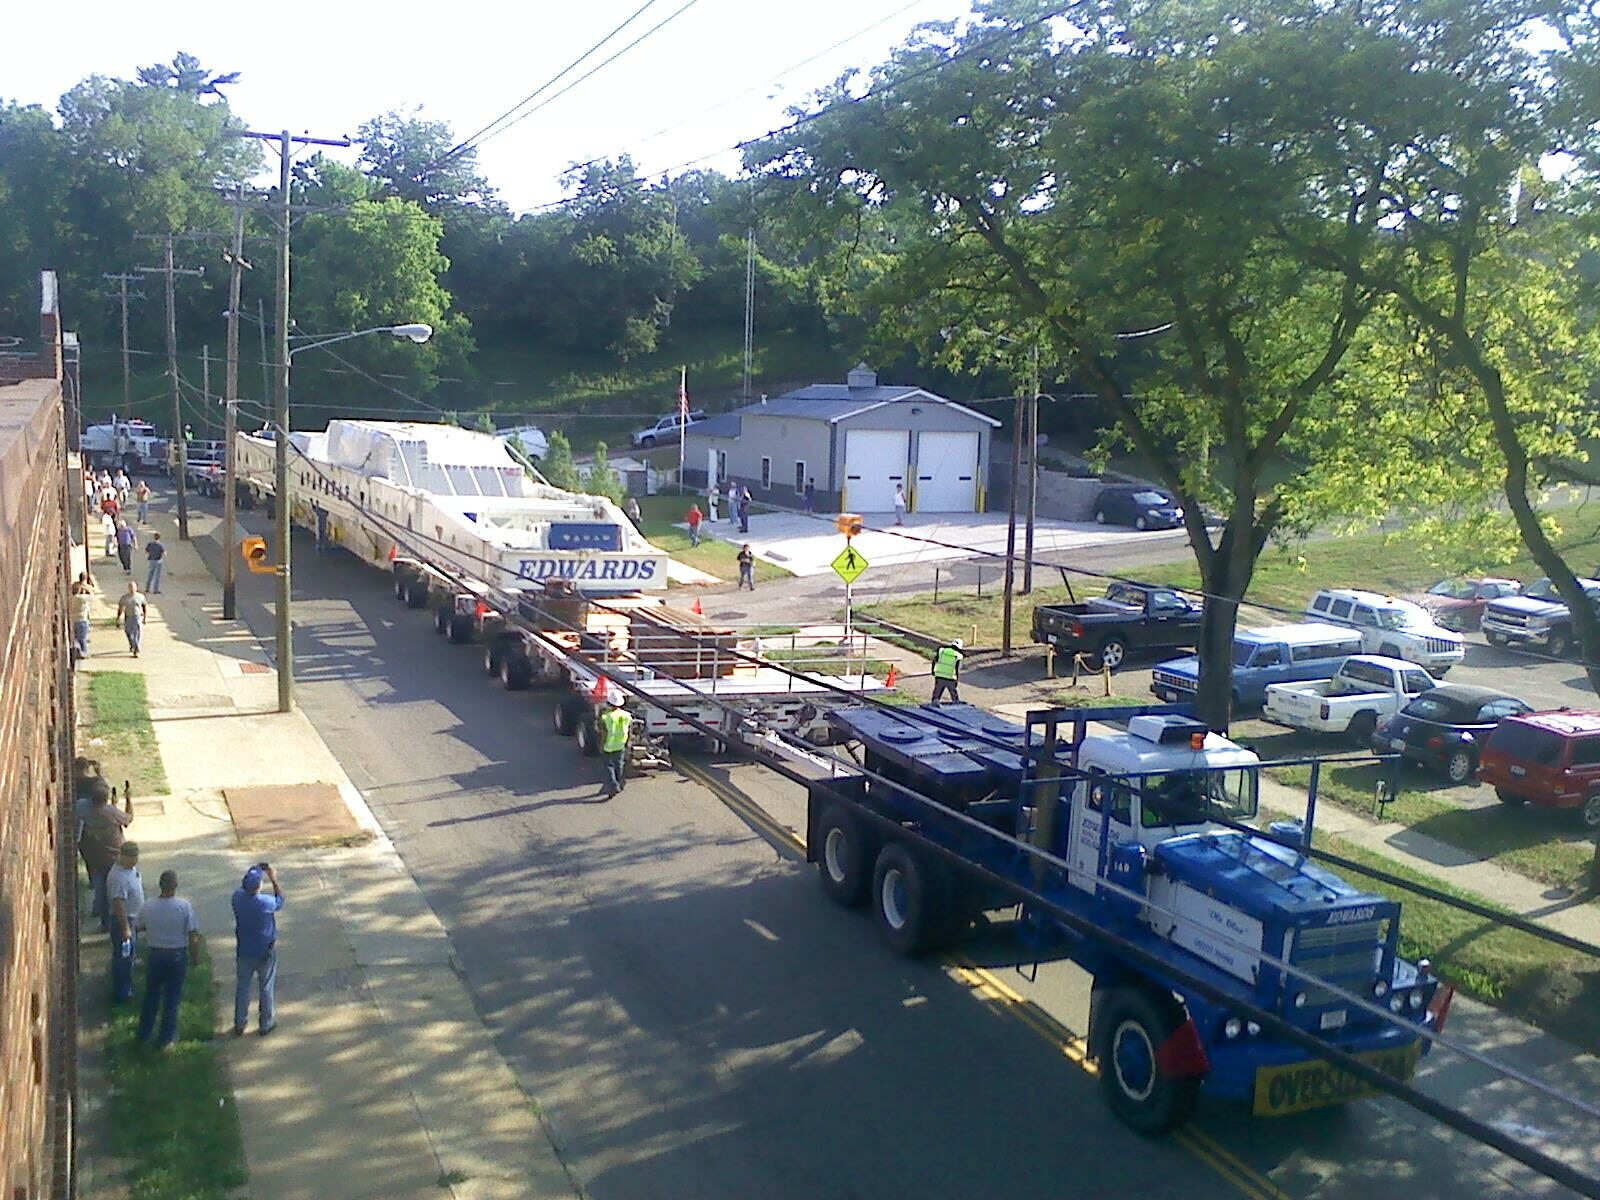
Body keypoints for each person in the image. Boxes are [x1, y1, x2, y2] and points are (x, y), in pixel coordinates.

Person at [136, 869, 200, 1050]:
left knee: (151, 995)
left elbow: (139, 926)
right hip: (177, 955)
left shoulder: (148, 906)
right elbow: (193, 935)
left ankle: (144, 1033)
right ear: (175, 886)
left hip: (155, 954)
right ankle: (166, 1038)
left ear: (160, 885)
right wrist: (194, 958)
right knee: (172, 997)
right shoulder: (184, 906)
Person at [232, 864, 284, 1037]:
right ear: (259, 886)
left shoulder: (237, 899)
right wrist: (273, 879)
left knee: (243, 988)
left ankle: (240, 1023)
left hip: (244, 951)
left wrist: (257, 868)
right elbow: (280, 900)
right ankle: (266, 1023)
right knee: (266, 988)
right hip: (265, 952)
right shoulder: (266, 903)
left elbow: (244, 886)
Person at [81, 777, 132, 928]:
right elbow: (128, 819)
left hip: (96, 860)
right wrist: (129, 799)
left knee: (101, 889)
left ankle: (104, 920)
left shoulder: (86, 812)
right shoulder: (111, 812)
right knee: (118, 892)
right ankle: (120, 921)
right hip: (114, 859)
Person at [107, 842, 145, 1004]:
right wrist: (125, 928)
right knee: (124, 958)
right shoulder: (118, 877)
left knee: (129, 957)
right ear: (123, 856)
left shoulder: (131, 870)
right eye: (132, 857)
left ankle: (127, 988)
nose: (135, 860)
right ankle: (122, 993)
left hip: (133, 918)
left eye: (136, 856)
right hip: (123, 921)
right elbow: (118, 904)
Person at [598, 692, 633, 798]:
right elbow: (629, 730)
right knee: (619, 764)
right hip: (621, 743)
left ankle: (614, 785)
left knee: (609, 766)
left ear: (609, 703)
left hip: (608, 745)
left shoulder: (606, 717)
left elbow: (603, 733)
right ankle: (618, 782)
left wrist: (601, 745)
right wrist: (628, 742)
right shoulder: (627, 715)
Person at [116, 581, 147, 657]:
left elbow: (144, 606)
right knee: (128, 632)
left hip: (137, 616)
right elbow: (120, 608)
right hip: (128, 616)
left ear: (136, 588)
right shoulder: (124, 598)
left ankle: (136, 648)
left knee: (137, 632)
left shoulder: (140, 596)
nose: (132, 589)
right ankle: (132, 644)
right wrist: (118, 618)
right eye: (130, 587)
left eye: (133, 587)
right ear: (128, 588)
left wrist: (144, 617)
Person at [931, 637, 964, 703]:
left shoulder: (942, 651)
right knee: (954, 696)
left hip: (939, 676)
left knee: (937, 694)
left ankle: (933, 705)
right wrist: (957, 679)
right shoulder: (958, 656)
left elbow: (934, 661)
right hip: (950, 678)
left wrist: (933, 671)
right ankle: (956, 705)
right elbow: (957, 668)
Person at [70, 579, 93, 657]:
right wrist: (86, 588)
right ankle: (83, 652)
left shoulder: (71, 598)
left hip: (74, 620)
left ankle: (78, 652)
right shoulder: (81, 598)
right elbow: (92, 596)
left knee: (76, 638)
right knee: (82, 638)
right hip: (82, 620)